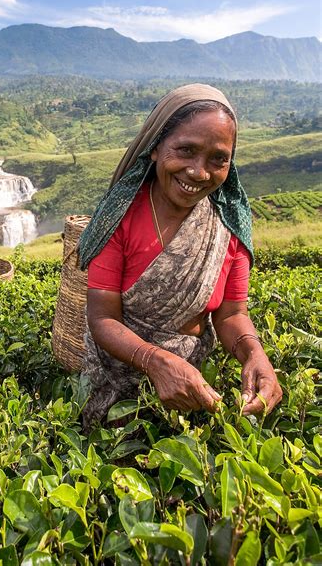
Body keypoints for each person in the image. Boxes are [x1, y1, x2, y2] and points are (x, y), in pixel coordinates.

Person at [78, 83, 282, 430]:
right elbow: (102, 319)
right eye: (186, 150)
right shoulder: (120, 218)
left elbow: (232, 313)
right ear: (156, 147)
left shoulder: (227, 227)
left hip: (193, 390)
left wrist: (254, 354)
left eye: (218, 159)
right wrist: (156, 362)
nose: (199, 172)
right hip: (114, 389)